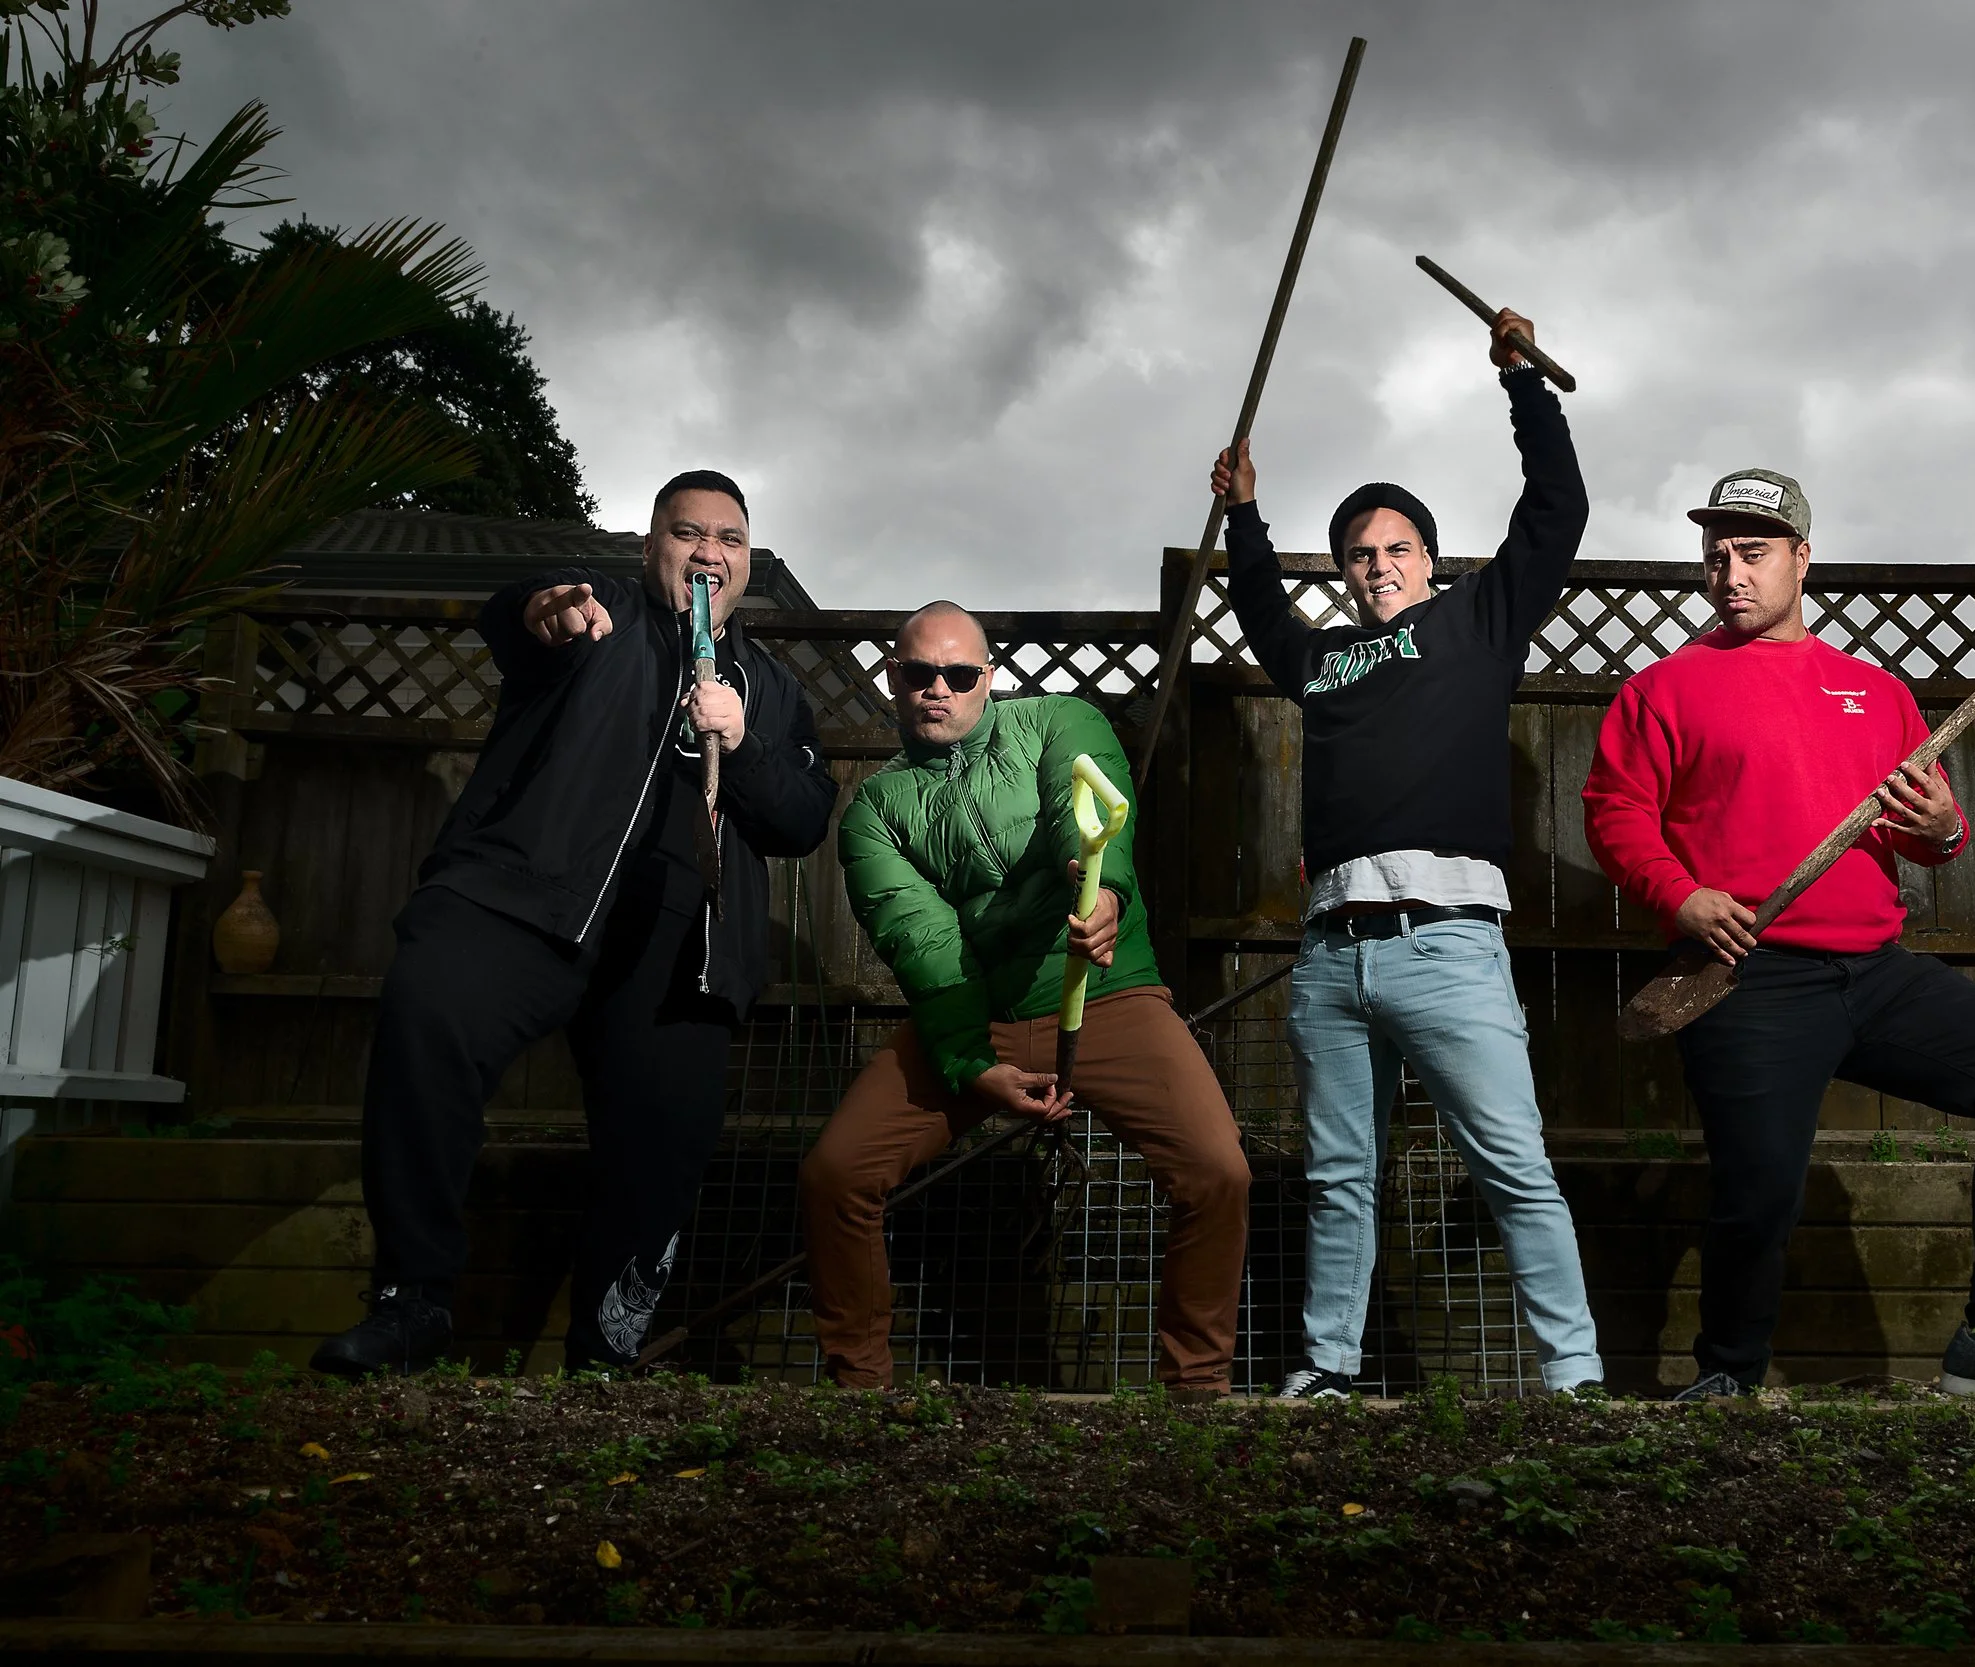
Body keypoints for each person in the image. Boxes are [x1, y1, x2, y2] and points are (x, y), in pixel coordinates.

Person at [1580, 469, 1975, 1403]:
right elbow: (1615, 811)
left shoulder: (1873, 693)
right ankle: (1727, 1377)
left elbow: (1935, 837)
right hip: (1747, 972)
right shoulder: (1665, 691)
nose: (1731, 574)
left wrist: (1942, 827)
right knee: (1760, 1184)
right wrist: (1681, 898)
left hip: (1876, 971)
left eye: (1753, 554)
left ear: (1803, 559)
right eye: (1716, 556)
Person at [311, 470, 840, 1377]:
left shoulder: (776, 692)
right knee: (429, 1007)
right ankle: (413, 1301)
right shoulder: (600, 619)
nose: (709, 552)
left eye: (730, 539)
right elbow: (524, 619)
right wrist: (547, 610)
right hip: (531, 897)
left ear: (748, 562)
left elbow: (800, 819)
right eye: (688, 533)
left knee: (664, 1145)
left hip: (682, 946)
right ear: (652, 548)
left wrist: (743, 740)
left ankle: (608, 1350)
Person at [1208, 307, 1604, 1399]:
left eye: (1394, 549)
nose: (1376, 564)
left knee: (1513, 1166)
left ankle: (1573, 1380)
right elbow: (1254, 607)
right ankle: (1328, 1366)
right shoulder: (1325, 658)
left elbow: (1556, 507)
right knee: (1342, 1175)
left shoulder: (1478, 620)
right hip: (1334, 954)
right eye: (1358, 554)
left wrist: (1522, 385)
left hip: (1448, 946)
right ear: (1342, 573)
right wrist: (1244, 513)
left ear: (1429, 559)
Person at [799, 602, 1250, 1394]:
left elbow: (1085, 814)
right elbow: (927, 946)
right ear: (891, 680)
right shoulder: (875, 810)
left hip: (1108, 994)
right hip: (981, 1018)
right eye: (918, 673)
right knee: (836, 1172)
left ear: (989, 679)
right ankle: (858, 1390)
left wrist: (1102, 891)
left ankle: (1198, 1388)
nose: (938, 688)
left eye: (959, 673)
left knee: (1218, 1170)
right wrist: (972, 1063)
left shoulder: (1056, 721)